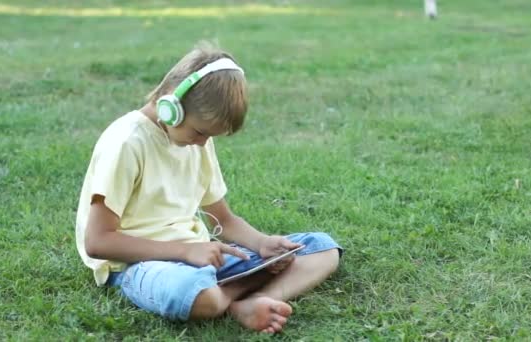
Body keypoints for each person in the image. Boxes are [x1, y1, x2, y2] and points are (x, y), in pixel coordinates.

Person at [75, 42, 342, 334]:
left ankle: (256, 300)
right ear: (171, 107)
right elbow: (98, 242)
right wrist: (185, 252)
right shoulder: (127, 142)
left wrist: (262, 244)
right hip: (137, 265)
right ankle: (232, 297)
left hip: (198, 257)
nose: (203, 143)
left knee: (322, 248)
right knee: (197, 294)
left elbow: (224, 221)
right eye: (200, 132)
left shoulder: (196, 141)